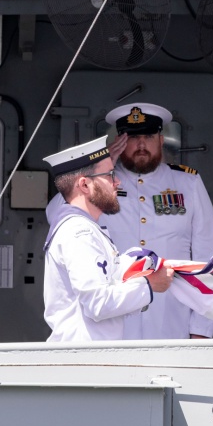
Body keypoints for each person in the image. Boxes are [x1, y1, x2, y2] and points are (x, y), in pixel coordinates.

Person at [104, 102, 213, 339]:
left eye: (148, 136)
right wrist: (103, 165)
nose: (141, 145)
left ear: (160, 140)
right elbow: (59, 214)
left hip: (171, 317)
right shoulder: (100, 184)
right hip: (113, 318)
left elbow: (208, 258)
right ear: (118, 141)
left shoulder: (188, 183)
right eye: (132, 137)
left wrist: (201, 329)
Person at [42, 136, 174, 342]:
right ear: (85, 185)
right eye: (110, 175)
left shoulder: (84, 228)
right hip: (84, 361)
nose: (117, 182)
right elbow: (98, 303)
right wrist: (149, 284)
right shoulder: (79, 233)